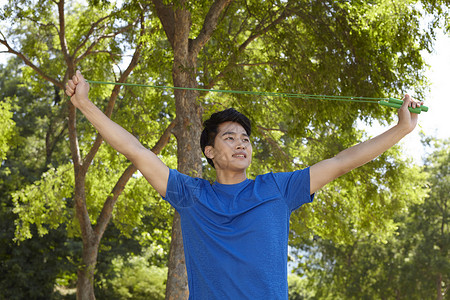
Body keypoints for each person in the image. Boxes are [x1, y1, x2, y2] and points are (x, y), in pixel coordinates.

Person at [66, 70, 423, 299]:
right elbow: (137, 151)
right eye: (230, 138)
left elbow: (342, 161)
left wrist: (402, 129)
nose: (242, 143)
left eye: (246, 139)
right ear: (209, 151)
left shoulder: (278, 189)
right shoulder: (190, 194)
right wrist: (84, 103)